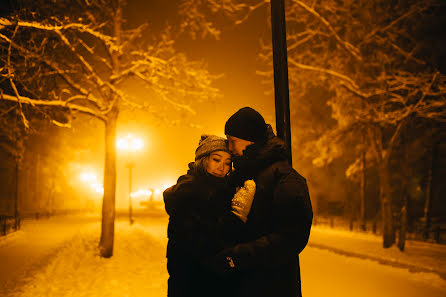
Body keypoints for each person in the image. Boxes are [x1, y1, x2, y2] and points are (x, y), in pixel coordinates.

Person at [207, 107, 313, 297]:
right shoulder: (242, 175)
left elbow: (290, 238)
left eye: (233, 142)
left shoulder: (284, 179)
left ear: (250, 139)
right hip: (242, 284)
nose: (230, 149)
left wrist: (238, 256)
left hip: (272, 286)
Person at [163, 134, 256, 297]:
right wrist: (237, 217)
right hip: (192, 283)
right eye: (216, 159)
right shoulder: (188, 192)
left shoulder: (224, 190)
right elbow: (202, 242)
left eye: (228, 163)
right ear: (203, 159)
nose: (222, 167)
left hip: (215, 282)